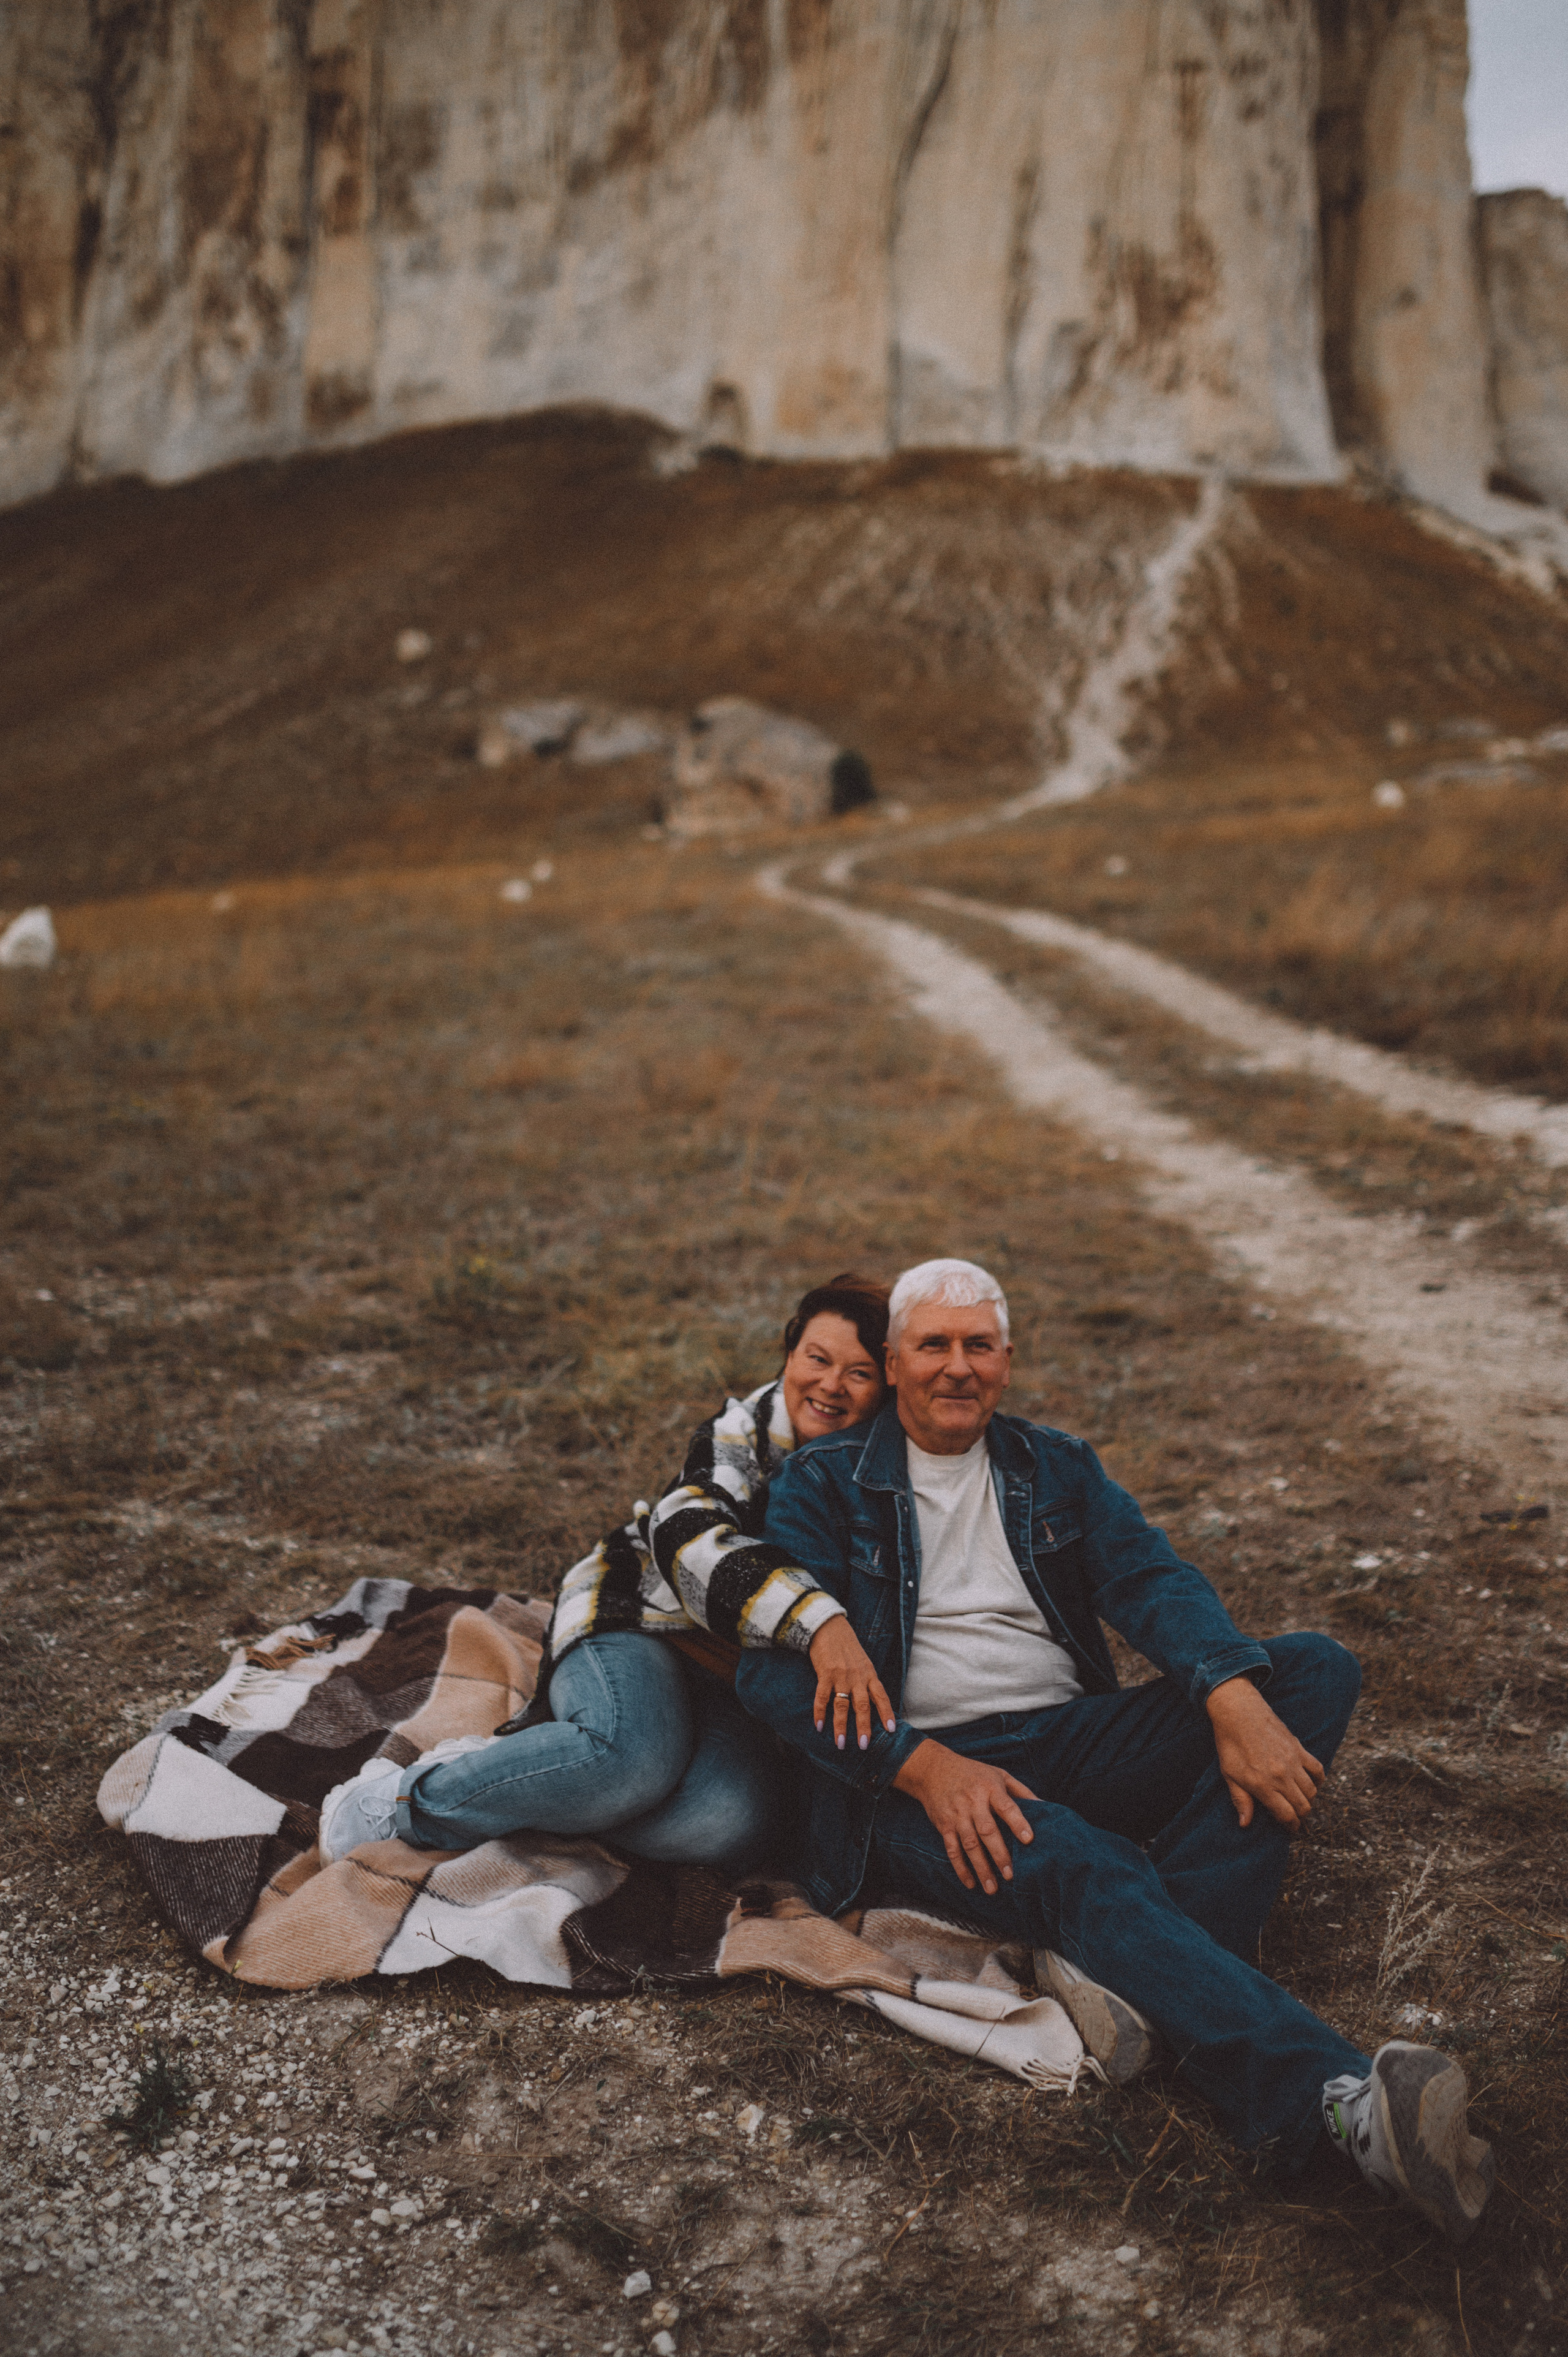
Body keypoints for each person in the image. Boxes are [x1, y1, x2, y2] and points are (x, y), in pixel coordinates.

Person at [737, 1257, 1494, 2247]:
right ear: (895, 1360)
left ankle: (1136, 1969)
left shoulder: (1055, 1464)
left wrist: (1228, 1691)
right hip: (909, 1782)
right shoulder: (824, 1482)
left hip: (1069, 1735)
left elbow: (1150, 1576)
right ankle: (1339, 2108)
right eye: (933, 1345)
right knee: (1076, 1859)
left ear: (1007, 1359)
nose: (957, 1365)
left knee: (1308, 1673)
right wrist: (926, 1765)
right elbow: (777, 1680)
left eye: (979, 1344)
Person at [319, 1273, 895, 1875]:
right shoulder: (742, 1431)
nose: (830, 1384)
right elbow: (689, 1534)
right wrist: (818, 1621)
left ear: (886, 1385)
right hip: (637, 1616)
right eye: (816, 1358)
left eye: (858, 1372)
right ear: (789, 1353)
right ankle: (411, 1798)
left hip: (731, 1680)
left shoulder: (879, 1472)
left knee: (720, 1827)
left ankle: (533, 1766)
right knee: (629, 1759)